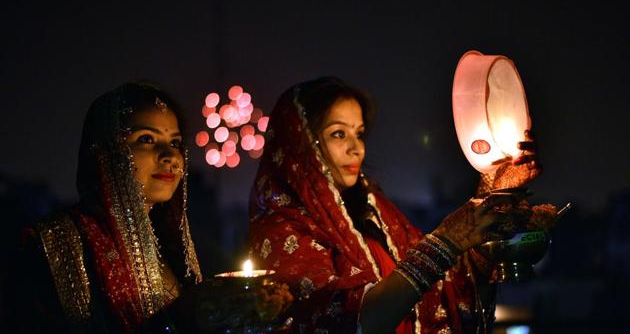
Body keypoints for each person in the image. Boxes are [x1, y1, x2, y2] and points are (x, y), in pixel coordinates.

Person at [248, 77, 541, 334]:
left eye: (359, 133)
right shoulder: (281, 231)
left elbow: (443, 292)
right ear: (301, 142)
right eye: (338, 133)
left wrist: (494, 192)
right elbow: (348, 322)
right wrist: (448, 240)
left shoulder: (375, 214)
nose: (356, 147)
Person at [9, 82, 204, 334]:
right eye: (146, 139)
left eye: (175, 143)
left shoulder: (173, 248)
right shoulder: (53, 247)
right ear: (105, 151)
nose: (170, 156)